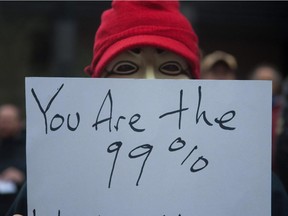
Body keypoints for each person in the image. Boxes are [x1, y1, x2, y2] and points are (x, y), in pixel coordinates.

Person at [7, 1, 199, 215]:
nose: (150, 82)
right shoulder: (53, 175)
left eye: (171, 67)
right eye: (126, 68)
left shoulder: (230, 173)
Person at [249, 63, 283, 172]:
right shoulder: (244, 110)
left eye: (269, 80)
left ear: (277, 85)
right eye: (260, 80)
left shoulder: (282, 111)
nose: (264, 84)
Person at [0, 104, 26, 216]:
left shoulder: (28, 144)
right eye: (1, 121)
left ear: (19, 122)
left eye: (8, 121)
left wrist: (22, 176)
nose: (3, 125)